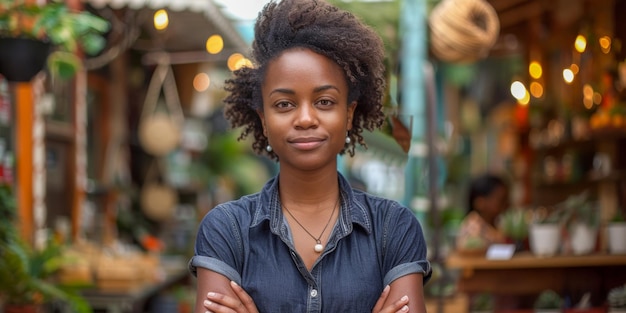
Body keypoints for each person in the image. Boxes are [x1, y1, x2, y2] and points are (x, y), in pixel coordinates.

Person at [187, 0, 432, 312]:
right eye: (284, 104)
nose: (305, 118)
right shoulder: (226, 230)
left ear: (348, 113)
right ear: (263, 118)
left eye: (325, 101)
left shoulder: (394, 228)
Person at [455, 173, 509, 252]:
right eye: (500, 200)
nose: (505, 204)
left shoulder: (498, 223)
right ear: (480, 202)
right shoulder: (473, 227)